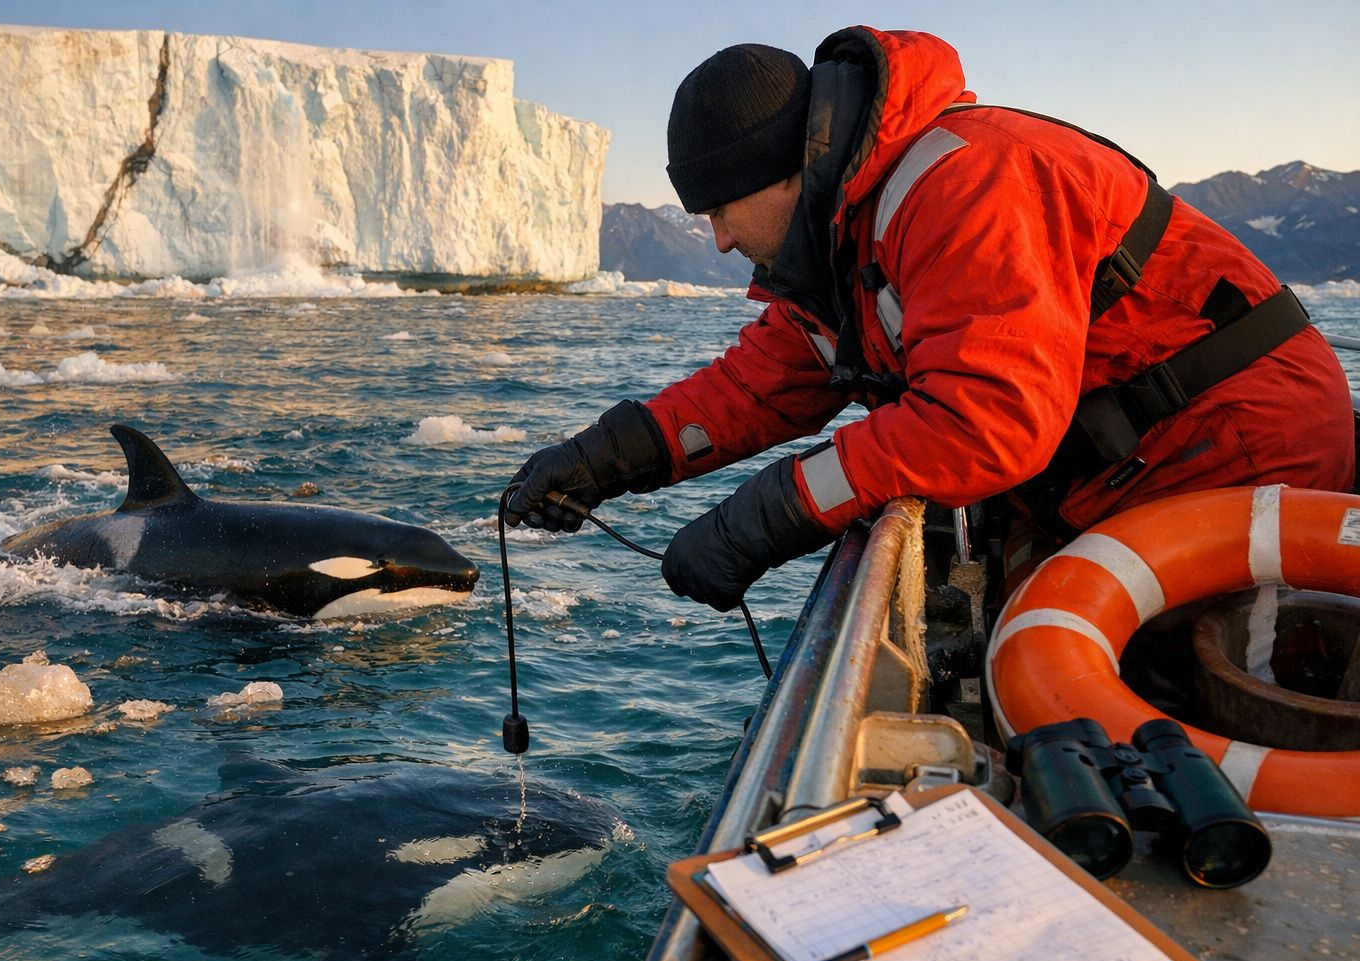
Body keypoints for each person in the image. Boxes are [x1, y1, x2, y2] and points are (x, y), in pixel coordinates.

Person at [505, 25, 1354, 613]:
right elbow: (759, 388)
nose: (720, 241)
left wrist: (763, 516)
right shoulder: (847, 235)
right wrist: (599, 463)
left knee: (1178, 698)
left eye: (721, 210)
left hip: (1235, 452)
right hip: (1124, 474)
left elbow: (987, 419)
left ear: (786, 171)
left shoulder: (964, 183)